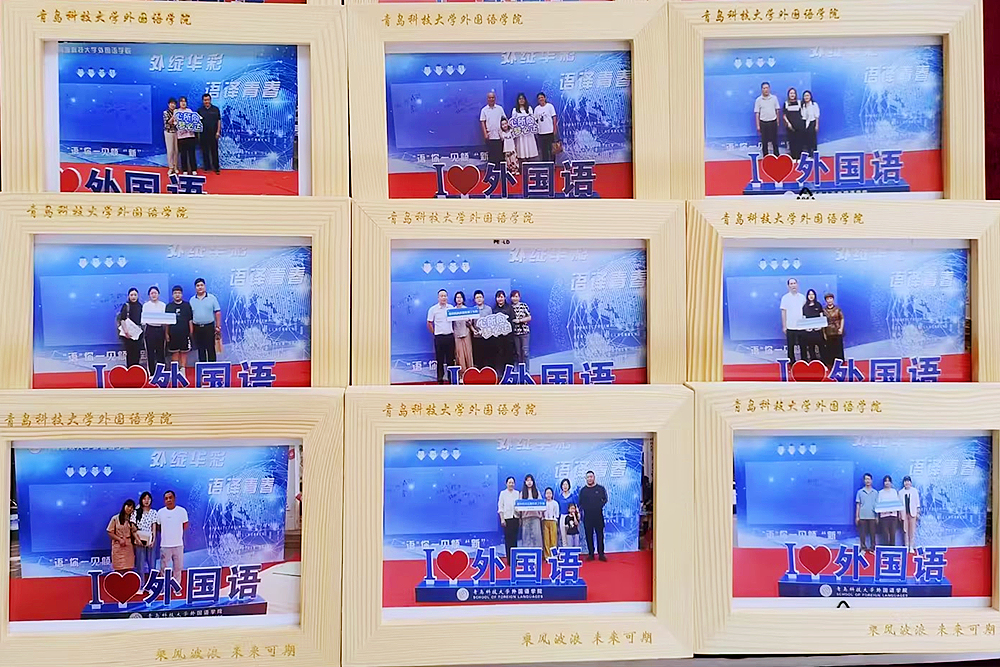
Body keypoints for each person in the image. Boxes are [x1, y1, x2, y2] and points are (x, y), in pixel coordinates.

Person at [158, 490, 188, 585]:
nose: (168, 500)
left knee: (178, 568)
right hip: (165, 545)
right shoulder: (160, 512)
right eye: (166, 498)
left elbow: (185, 525)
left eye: (170, 498)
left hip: (178, 544)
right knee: (164, 568)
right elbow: (159, 527)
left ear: (174, 498)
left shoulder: (182, 511)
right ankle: (164, 586)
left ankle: (176, 587)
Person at [578, 470, 608, 561]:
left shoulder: (600, 488)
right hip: (587, 517)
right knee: (589, 536)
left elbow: (605, 499)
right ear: (586, 479)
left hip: (598, 516)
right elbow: (580, 503)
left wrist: (599, 506)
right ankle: (591, 554)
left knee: (600, 536)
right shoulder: (583, 491)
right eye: (588, 477)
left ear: (594, 478)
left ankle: (601, 554)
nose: (589, 479)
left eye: (591, 477)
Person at [426, 289, 455, 384]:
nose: (443, 298)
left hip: (450, 337)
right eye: (441, 296)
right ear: (438, 297)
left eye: (445, 296)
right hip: (439, 337)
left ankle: (451, 379)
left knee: (451, 359)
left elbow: (457, 319)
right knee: (440, 359)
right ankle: (440, 379)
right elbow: (429, 323)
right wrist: (435, 333)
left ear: (447, 297)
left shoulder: (451, 308)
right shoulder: (433, 309)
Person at [191, 278, 222, 364]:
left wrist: (218, 326)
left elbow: (217, 312)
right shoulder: (192, 300)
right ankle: (202, 367)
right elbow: (190, 316)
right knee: (200, 349)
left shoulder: (212, 298)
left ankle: (212, 368)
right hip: (197, 327)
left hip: (209, 327)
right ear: (195, 288)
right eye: (198, 285)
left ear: (205, 286)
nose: (200, 287)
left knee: (210, 348)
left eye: (201, 285)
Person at [165, 285, 194, 371]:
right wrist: (166, 334)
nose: (177, 295)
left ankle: (182, 369)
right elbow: (167, 322)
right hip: (173, 334)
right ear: (172, 295)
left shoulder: (187, 305)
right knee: (174, 352)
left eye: (179, 293)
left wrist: (191, 332)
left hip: (184, 333)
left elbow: (190, 320)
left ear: (182, 294)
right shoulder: (169, 306)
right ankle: (175, 370)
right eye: (175, 293)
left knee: (184, 352)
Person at [132, 491, 158, 584]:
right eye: (144, 499)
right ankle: (141, 584)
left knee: (152, 563)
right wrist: (137, 540)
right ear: (141, 500)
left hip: (150, 539)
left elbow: (154, 527)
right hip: (139, 540)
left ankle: (152, 584)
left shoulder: (153, 512)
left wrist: (153, 540)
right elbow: (133, 528)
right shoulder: (136, 512)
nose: (146, 501)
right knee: (140, 564)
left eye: (148, 499)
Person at [142, 286, 167, 376]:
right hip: (150, 329)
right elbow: (143, 320)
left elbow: (165, 319)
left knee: (160, 352)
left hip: (160, 329)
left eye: (155, 293)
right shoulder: (146, 305)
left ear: (158, 294)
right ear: (149, 295)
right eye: (152, 293)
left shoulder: (163, 305)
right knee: (150, 352)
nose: (153, 295)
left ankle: (162, 373)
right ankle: (152, 373)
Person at [780, 278, 806, 363]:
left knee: (803, 346)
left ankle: (804, 362)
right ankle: (792, 363)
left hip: (801, 326)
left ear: (797, 285)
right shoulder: (785, 298)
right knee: (791, 347)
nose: (793, 285)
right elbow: (783, 312)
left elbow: (806, 311)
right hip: (790, 326)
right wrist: (784, 326)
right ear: (788, 286)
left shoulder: (802, 297)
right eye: (791, 284)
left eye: (794, 283)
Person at [107, 499, 137, 573]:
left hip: (128, 546)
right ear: (124, 506)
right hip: (118, 545)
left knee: (129, 569)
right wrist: (119, 539)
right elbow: (109, 532)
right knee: (119, 570)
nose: (130, 509)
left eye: (132, 507)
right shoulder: (115, 518)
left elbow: (135, 532)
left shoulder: (132, 520)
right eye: (128, 506)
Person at [116, 288, 144, 368]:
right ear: (128, 296)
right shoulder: (126, 306)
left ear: (138, 296)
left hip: (138, 333)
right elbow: (122, 319)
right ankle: (130, 369)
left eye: (135, 295)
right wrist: (126, 332)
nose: (133, 297)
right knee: (130, 352)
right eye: (131, 295)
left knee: (137, 352)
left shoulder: (140, 306)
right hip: (128, 333)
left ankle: (136, 369)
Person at [174, 96, 201, 175]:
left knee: (191, 153)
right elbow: (175, 122)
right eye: (181, 101)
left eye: (184, 101)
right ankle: (184, 170)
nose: (183, 103)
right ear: (179, 103)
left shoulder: (189, 111)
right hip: (181, 136)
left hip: (190, 136)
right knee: (183, 154)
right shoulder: (177, 112)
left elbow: (194, 122)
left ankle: (193, 169)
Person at [480, 92, 507, 168]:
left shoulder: (499, 108)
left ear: (495, 99)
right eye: (489, 98)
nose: (491, 99)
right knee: (492, 156)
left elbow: (504, 119)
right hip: (490, 136)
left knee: (500, 155)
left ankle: (500, 171)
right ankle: (492, 172)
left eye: (492, 97)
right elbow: (482, 122)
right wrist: (485, 134)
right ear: (487, 99)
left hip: (500, 136)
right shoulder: (484, 110)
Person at [754, 82, 781, 157]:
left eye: (767, 88)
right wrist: (758, 125)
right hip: (763, 123)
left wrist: (778, 121)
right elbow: (757, 113)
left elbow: (777, 110)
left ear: (769, 89)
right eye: (764, 88)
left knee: (774, 140)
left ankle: (776, 156)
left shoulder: (774, 98)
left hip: (773, 121)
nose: (766, 90)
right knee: (764, 141)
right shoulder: (758, 100)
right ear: (762, 89)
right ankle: (766, 157)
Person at [510, 92, 538, 165]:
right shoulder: (515, 110)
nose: (521, 100)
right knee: (521, 148)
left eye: (523, 99)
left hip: (528, 133)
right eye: (520, 99)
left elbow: (533, 119)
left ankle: (530, 163)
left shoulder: (529, 109)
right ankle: (523, 163)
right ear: (518, 101)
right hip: (520, 134)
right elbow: (513, 122)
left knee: (529, 147)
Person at [197, 93, 222, 175]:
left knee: (214, 151)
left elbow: (219, 121)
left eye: (208, 100)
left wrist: (218, 131)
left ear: (210, 100)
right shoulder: (200, 110)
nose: (206, 101)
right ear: (203, 101)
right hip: (203, 134)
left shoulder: (216, 109)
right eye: (205, 100)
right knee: (205, 151)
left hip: (214, 134)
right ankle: (207, 167)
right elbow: (197, 123)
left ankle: (216, 167)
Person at [497, 476, 520, 564]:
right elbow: (500, 507)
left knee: (514, 539)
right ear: (506, 484)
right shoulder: (503, 493)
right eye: (509, 482)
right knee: (508, 540)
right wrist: (502, 519)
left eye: (512, 483)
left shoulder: (517, 493)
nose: (511, 484)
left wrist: (520, 517)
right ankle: (509, 560)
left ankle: (515, 558)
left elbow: (519, 506)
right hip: (507, 519)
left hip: (515, 518)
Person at [875, 475, 903, 546]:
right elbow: (878, 505)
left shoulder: (894, 492)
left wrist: (899, 514)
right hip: (884, 517)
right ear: (883, 483)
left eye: (888, 481)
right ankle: (885, 549)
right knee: (885, 534)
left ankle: (892, 549)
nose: (887, 483)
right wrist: (877, 516)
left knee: (893, 534)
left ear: (891, 483)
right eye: (885, 481)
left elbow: (898, 504)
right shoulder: (880, 493)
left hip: (893, 516)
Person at [469, 290, 493, 372]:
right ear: (474, 300)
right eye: (477, 297)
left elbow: (491, 323)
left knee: (488, 356)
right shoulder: (472, 310)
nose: (479, 299)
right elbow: (470, 324)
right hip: (476, 337)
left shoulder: (488, 309)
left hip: (487, 337)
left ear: (483, 298)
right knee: (478, 357)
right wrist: (473, 330)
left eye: (480, 297)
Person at [452, 291, 474, 377]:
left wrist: (468, 321)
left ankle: (471, 373)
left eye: (460, 297)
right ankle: (462, 375)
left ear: (463, 299)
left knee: (468, 353)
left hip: (466, 333)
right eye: (457, 297)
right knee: (459, 355)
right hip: (457, 335)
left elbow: (470, 324)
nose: (459, 299)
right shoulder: (452, 310)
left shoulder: (467, 310)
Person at [493, 290, 515, 372]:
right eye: (498, 297)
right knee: (500, 354)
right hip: (498, 338)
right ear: (496, 299)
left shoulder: (510, 308)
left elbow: (513, 321)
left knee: (509, 354)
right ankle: (501, 373)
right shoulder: (494, 309)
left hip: (508, 337)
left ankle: (510, 373)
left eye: (501, 297)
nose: (500, 299)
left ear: (504, 298)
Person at [518, 474, 543, 548]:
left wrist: (540, 514)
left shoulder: (537, 492)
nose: (529, 482)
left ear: (533, 482)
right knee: (526, 537)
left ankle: (538, 552)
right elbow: (519, 507)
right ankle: (527, 552)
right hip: (526, 518)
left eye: (531, 480)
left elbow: (541, 504)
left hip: (535, 517)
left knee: (536, 536)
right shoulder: (522, 493)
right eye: (527, 480)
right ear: (525, 482)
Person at [855, 473, 878, 553]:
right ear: (864, 481)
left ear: (871, 480)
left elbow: (877, 505)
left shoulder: (875, 492)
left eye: (869, 479)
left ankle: (872, 548)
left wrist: (877, 516)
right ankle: (863, 548)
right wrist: (857, 516)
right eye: (866, 479)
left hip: (872, 515)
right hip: (862, 515)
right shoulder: (860, 492)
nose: (867, 481)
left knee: (872, 533)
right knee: (862, 533)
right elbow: (858, 505)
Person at [534, 92, 559, 163]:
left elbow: (554, 118)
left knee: (551, 150)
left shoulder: (550, 106)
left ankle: (553, 164)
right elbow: (535, 120)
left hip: (550, 132)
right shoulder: (536, 109)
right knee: (543, 151)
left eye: (542, 97)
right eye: (539, 98)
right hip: (541, 133)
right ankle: (545, 164)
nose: (541, 99)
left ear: (545, 98)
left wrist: (554, 129)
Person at [822, 292, 845, 367]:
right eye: (827, 299)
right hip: (828, 332)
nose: (829, 300)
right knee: (830, 349)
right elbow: (823, 322)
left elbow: (842, 318)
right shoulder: (824, 310)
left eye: (830, 298)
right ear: (826, 300)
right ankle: (831, 364)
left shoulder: (838, 309)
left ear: (833, 299)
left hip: (837, 331)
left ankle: (840, 364)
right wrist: (824, 333)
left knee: (838, 349)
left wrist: (841, 328)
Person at [801, 289, 824, 362]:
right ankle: (813, 363)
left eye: (812, 294)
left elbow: (821, 316)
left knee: (821, 347)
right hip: (809, 332)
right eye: (809, 294)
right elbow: (804, 318)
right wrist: (806, 328)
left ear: (815, 296)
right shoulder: (805, 307)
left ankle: (823, 363)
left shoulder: (818, 305)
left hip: (818, 331)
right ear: (807, 296)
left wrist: (820, 326)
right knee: (811, 348)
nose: (811, 296)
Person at [510, 289, 531, 368]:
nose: (515, 298)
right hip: (515, 333)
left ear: (519, 297)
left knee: (525, 352)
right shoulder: (510, 307)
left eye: (516, 296)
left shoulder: (523, 306)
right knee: (518, 353)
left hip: (524, 332)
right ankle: (520, 371)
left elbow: (529, 317)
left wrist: (520, 320)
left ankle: (527, 371)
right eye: (513, 297)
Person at [900, 475, 921, 553]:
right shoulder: (900, 492)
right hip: (904, 514)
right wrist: (900, 515)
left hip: (913, 513)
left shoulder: (914, 491)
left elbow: (917, 503)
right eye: (905, 481)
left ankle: (911, 546)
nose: (907, 483)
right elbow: (899, 504)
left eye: (908, 481)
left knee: (912, 530)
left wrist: (918, 512)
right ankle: (906, 546)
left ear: (911, 483)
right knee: (905, 531)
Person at [783, 87, 805, 160]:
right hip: (790, 126)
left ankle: (799, 157)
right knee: (792, 141)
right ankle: (793, 157)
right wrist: (788, 123)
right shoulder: (786, 103)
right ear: (788, 95)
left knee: (799, 141)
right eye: (791, 93)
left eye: (793, 93)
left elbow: (803, 113)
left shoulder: (799, 102)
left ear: (795, 94)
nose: (792, 95)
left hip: (799, 125)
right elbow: (784, 115)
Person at [555, 478, 578, 546]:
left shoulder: (573, 496)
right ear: (561, 486)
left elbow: (576, 507)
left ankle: (573, 550)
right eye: (563, 485)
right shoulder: (559, 497)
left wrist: (576, 516)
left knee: (572, 534)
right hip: (563, 517)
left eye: (566, 484)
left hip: (571, 517)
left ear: (569, 486)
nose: (565, 486)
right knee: (563, 535)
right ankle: (565, 549)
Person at [542, 487, 559, 559]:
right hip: (545, 521)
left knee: (553, 539)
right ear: (545, 495)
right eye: (547, 493)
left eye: (550, 493)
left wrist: (555, 520)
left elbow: (557, 514)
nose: (548, 495)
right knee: (546, 539)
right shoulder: (543, 503)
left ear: (552, 494)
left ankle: (554, 555)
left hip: (553, 521)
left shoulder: (555, 503)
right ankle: (547, 556)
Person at [163, 98, 179, 176]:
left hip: (176, 132)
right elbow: (168, 122)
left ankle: (175, 167)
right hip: (168, 132)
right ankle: (170, 167)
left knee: (176, 150)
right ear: (168, 104)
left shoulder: (178, 112)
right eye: (171, 103)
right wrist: (174, 115)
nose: (173, 105)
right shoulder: (165, 112)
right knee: (170, 150)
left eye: (174, 104)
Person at [801, 90, 820, 156]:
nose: (806, 97)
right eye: (805, 96)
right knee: (807, 139)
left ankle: (815, 154)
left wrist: (817, 125)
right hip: (805, 123)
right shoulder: (803, 105)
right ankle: (809, 153)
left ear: (810, 96)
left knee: (813, 139)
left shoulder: (814, 104)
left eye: (807, 95)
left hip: (812, 122)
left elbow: (817, 115)